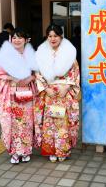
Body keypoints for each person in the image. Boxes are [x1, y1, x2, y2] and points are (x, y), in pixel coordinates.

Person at [0, 27, 38, 164]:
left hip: (25, 92)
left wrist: (31, 78)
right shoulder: (4, 56)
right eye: (14, 38)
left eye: (20, 37)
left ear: (25, 40)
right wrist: (11, 77)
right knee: (11, 123)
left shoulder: (32, 55)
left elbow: (39, 73)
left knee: (26, 123)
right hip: (10, 94)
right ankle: (14, 152)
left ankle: (25, 151)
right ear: (10, 40)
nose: (17, 40)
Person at [35, 24, 80, 162]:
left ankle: (63, 150)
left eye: (55, 36)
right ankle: (51, 150)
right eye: (50, 36)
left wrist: (67, 87)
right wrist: (46, 88)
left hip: (63, 93)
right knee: (49, 122)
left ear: (61, 37)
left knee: (63, 122)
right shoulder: (41, 53)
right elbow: (37, 73)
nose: (52, 39)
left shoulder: (69, 53)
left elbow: (75, 72)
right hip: (49, 93)